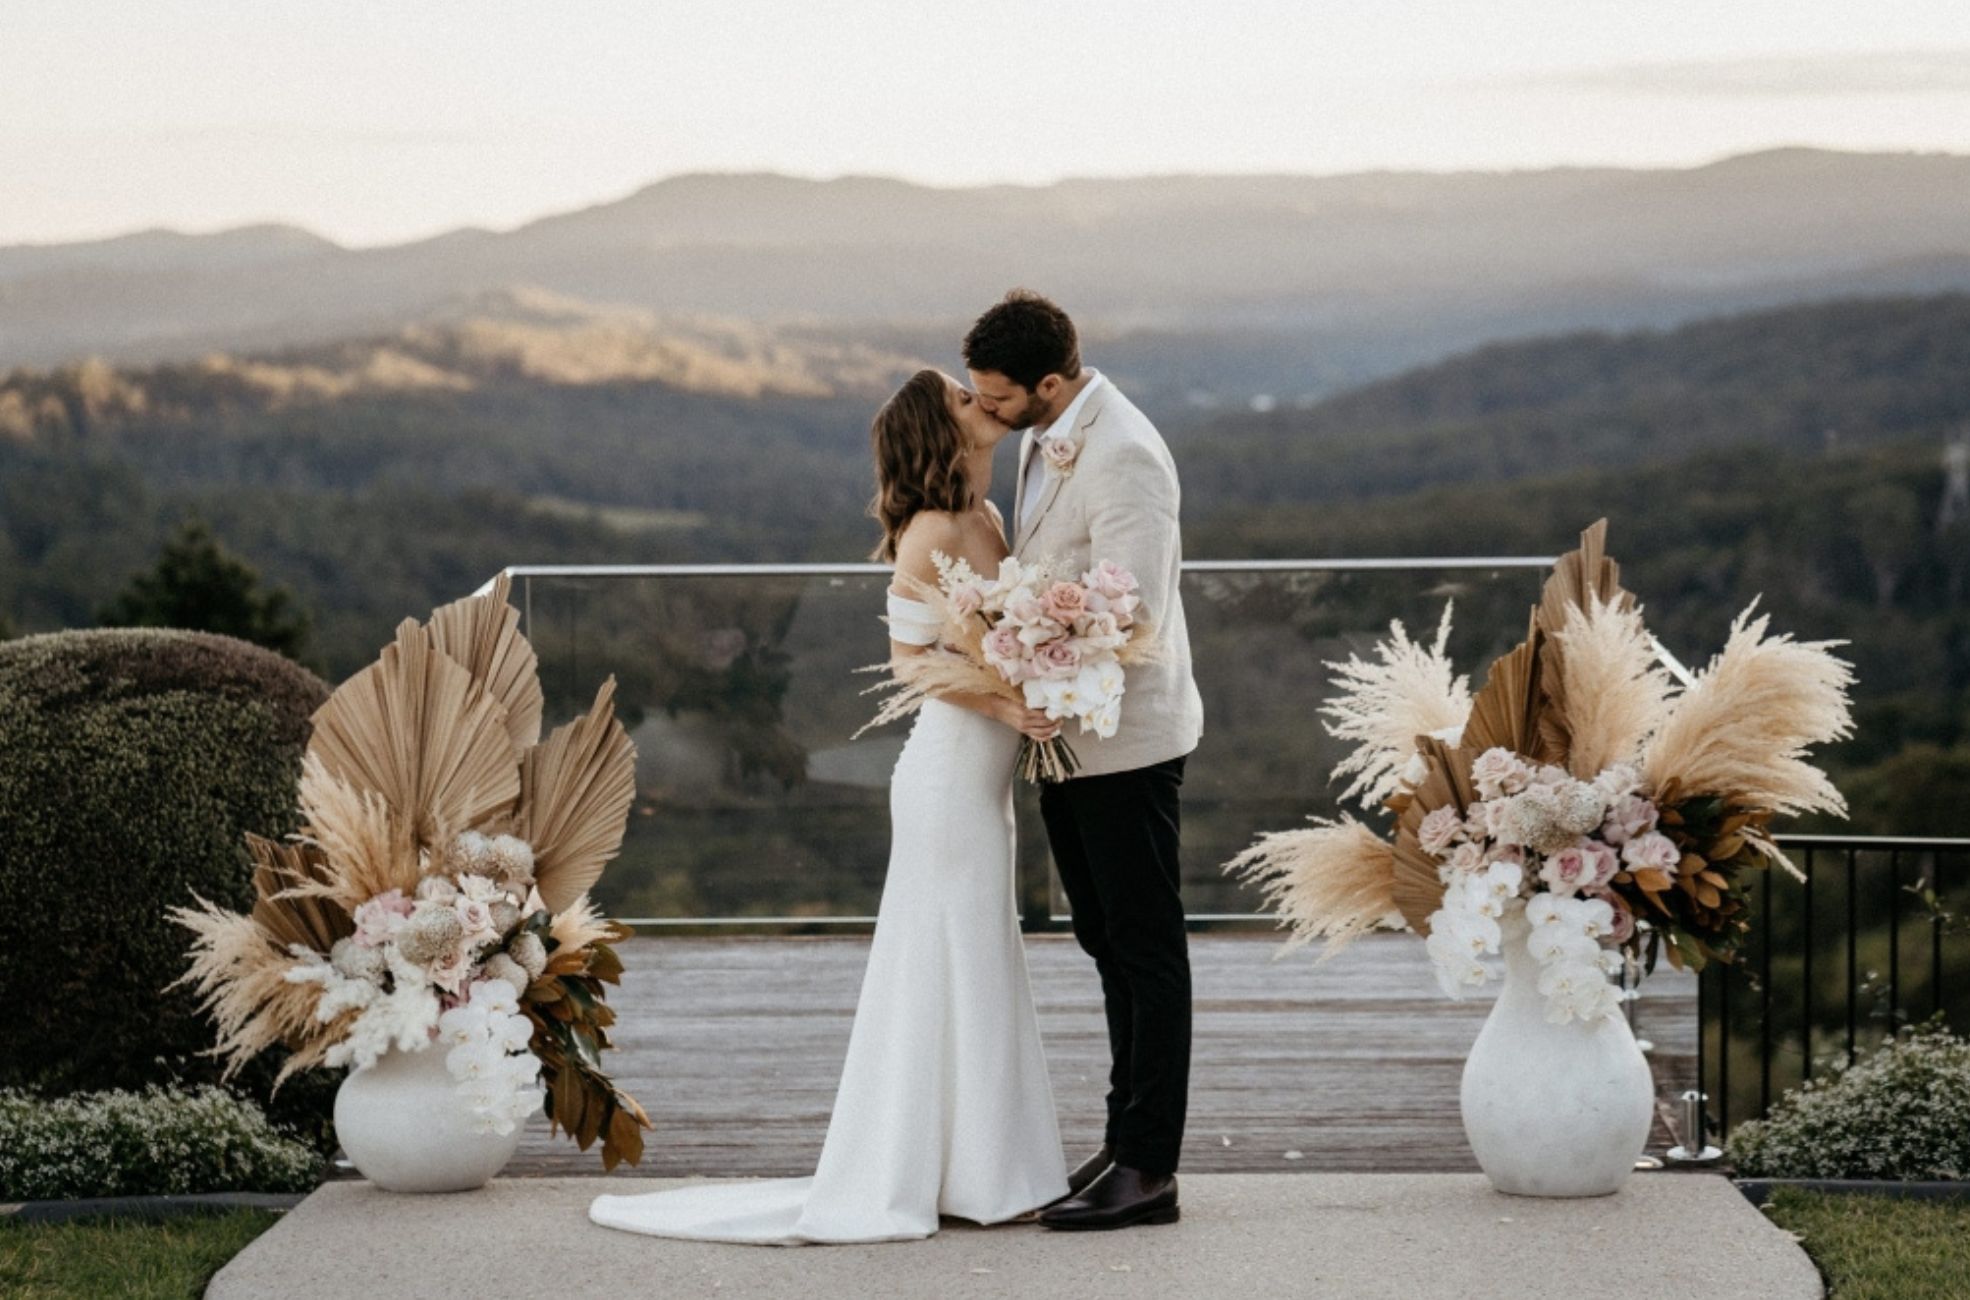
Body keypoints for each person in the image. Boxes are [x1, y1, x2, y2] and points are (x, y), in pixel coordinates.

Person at [588, 367, 1069, 1244]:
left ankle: (986, 1171)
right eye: (965, 397)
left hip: (986, 780)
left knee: (979, 956)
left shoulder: (989, 518)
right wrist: (1007, 706)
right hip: (947, 776)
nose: (982, 402)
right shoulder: (930, 532)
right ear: (940, 429)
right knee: (950, 959)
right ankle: (954, 1176)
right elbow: (909, 664)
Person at [964, 289, 1203, 1231]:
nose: (984, 410)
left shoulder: (1128, 453)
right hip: (1064, 736)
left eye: (995, 396)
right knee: (1105, 939)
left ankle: (1151, 1168)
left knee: (1146, 948)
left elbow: (1129, 611)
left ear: (1049, 383)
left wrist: (1023, 638)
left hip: (1125, 740)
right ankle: (1123, 1138)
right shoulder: (1047, 430)